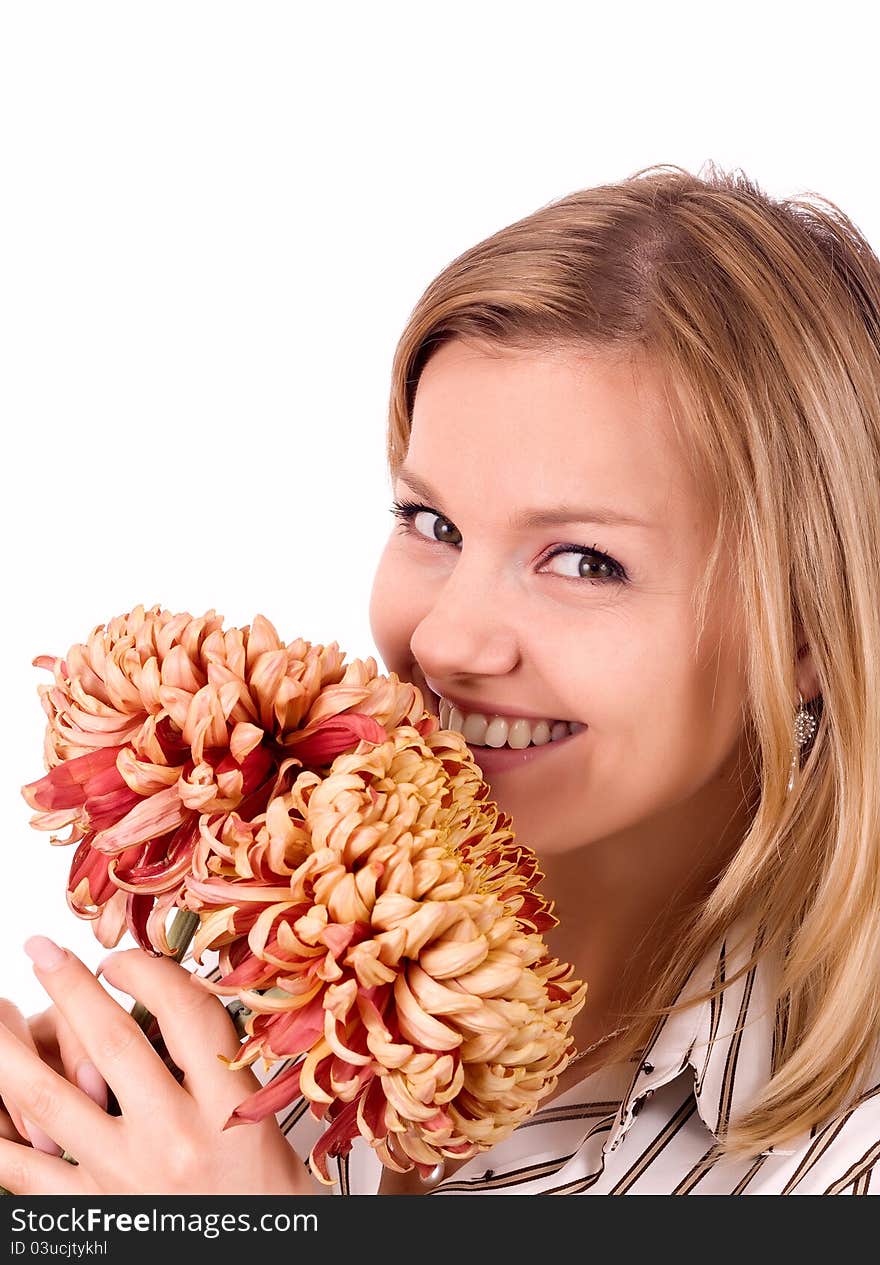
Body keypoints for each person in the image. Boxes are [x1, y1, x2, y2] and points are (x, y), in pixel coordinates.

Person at [2, 161, 879, 1194]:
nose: (448, 639)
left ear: (811, 630)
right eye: (433, 525)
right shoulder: (270, 978)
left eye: (584, 561)